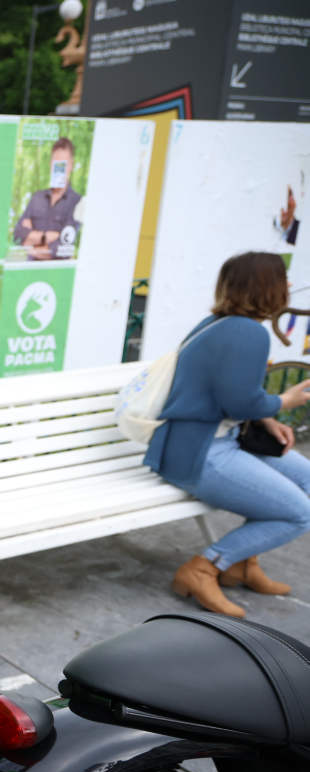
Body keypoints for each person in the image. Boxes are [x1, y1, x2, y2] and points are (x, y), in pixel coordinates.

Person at [146, 251, 310, 618]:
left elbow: (228, 394)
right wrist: (285, 401)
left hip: (208, 441)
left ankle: (242, 564)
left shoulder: (219, 323)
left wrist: (267, 419)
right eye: (282, 279)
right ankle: (203, 569)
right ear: (265, 286)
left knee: (307, 479)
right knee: (300, 513)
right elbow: (239, 401)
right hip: (201, 452)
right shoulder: (247, 331)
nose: (287, 285)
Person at [12, 137, 81, 261]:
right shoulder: (36, 198)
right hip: (28, 271)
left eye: (63, 164)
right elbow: (17, 235)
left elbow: (63, 249)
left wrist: (30, 245)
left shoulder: (77, 202)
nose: (59, 169)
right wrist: (45, 237)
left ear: (71, 165)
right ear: (50, 164)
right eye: (56, 163)